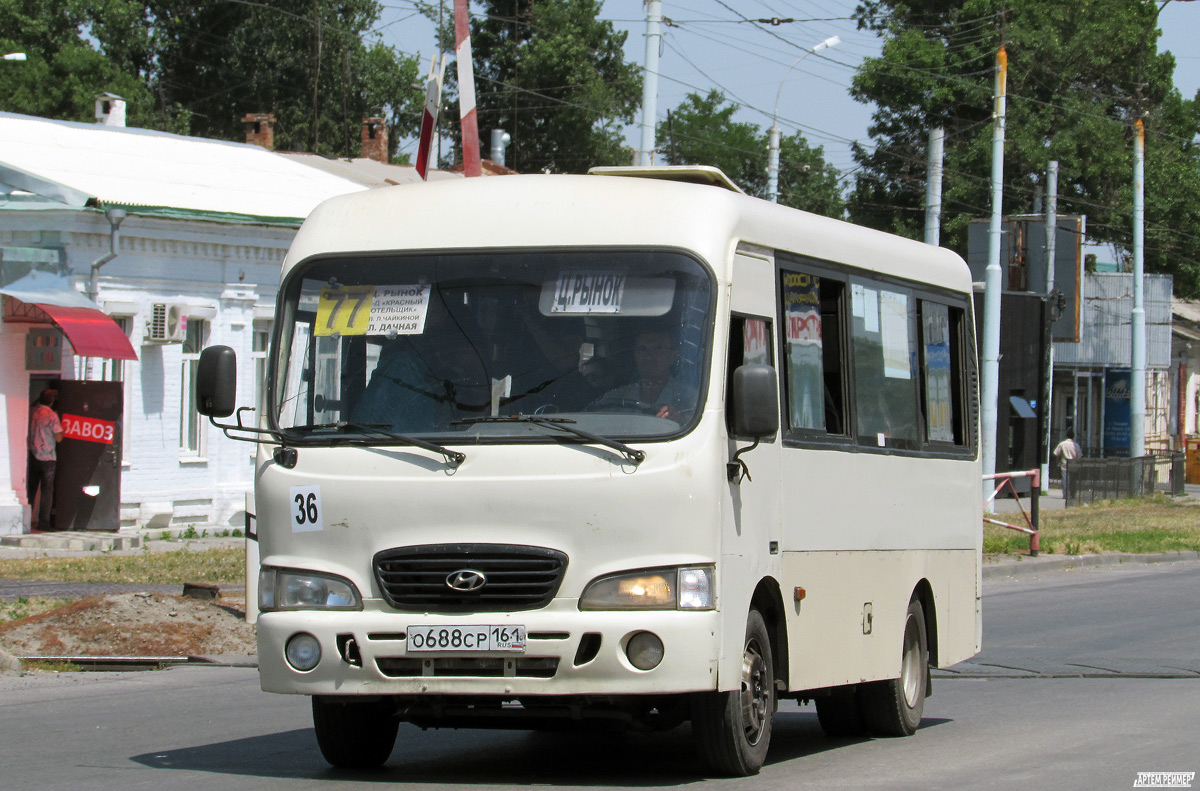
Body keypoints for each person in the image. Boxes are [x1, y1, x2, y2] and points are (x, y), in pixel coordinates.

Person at [597, 328, 697, 420]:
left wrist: (680, 421)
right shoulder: (615, 399)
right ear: (635, 355)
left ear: (672, 356)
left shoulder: (691, 400)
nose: (649, 357)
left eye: (658, 349)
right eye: (642, 349)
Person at [27, 388, 63, 531]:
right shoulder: (52, 415)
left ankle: (27, 519)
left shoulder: (32, 412)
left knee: (30, 489)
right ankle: (44, 522)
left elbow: (36, 404)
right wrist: (63, 430)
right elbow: (59, 437)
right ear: (53, 401)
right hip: (48, 458)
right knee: (47, 491)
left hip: (32, 455)